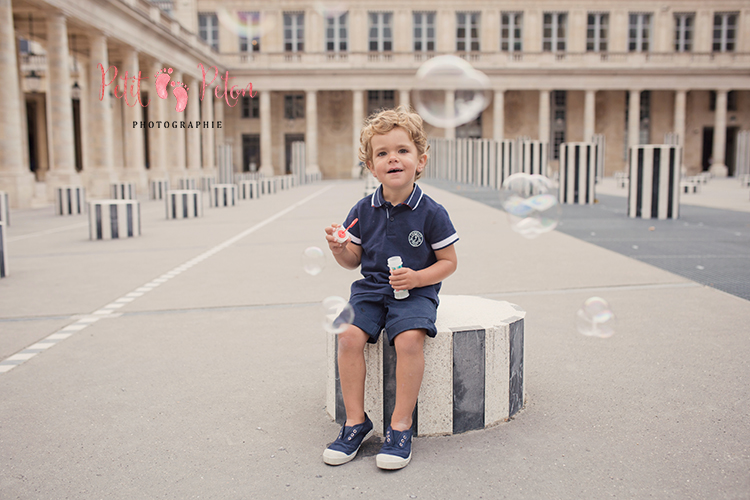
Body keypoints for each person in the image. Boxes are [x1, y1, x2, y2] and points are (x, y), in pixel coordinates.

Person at [322, 106, 459, 470]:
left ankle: (400, 426)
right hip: (371, 289)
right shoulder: (363, 209)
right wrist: (341, 249)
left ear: (420, 160)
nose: (392, 159)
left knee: (409, 339)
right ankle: (355, 421)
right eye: (381, 153)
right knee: (348, 335)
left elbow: (449, 262)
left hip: (416, 291)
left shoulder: (431, 212)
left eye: (402, 151)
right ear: (371, 166)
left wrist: (417, 278)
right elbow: (352, 260)